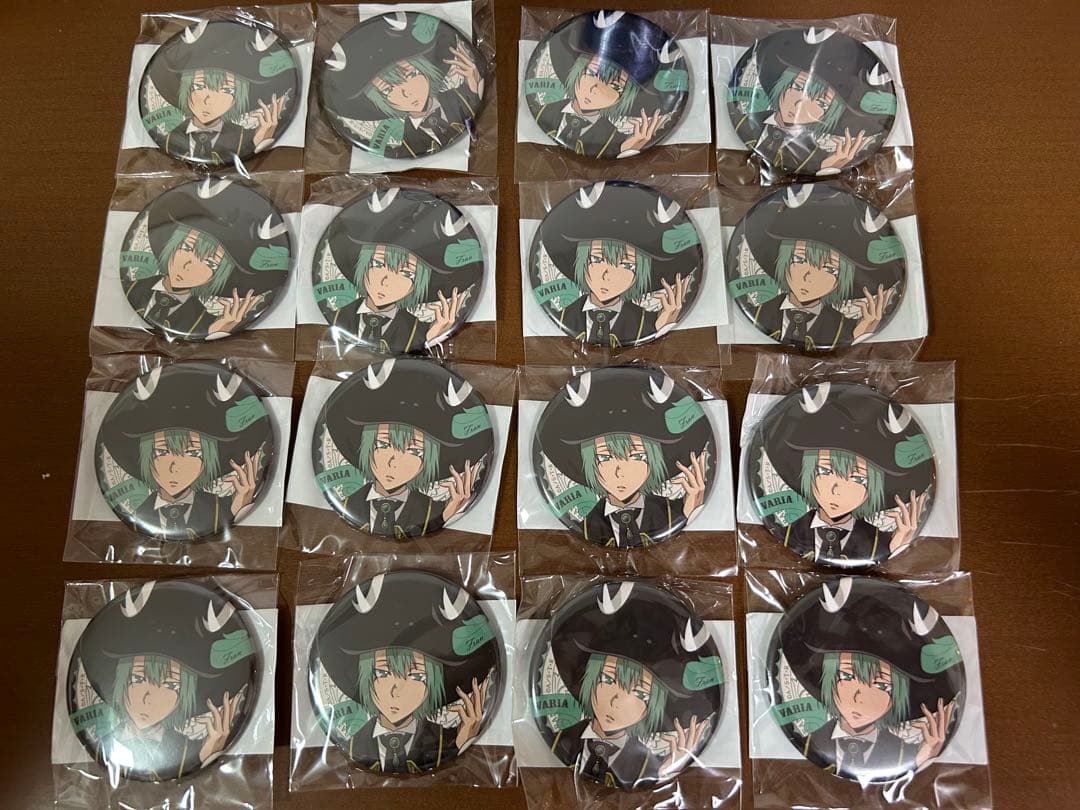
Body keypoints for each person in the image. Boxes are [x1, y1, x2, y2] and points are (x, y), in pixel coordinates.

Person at [316, 572, 497, 773]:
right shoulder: (352, 744)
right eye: (383, 674)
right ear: (366, 676)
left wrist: (460, 743)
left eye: (416, 676)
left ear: (433, 683)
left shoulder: (450, 740)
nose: (397, 691)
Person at [537, 367, 712, 547]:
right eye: (605, 458)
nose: (620, 472)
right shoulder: (587, 525)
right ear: (589, 463)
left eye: (636, 456)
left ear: (653, 461)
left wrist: (688, 514)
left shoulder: (676, 512)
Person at [320, 189, 482, 353]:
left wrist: (428, 338)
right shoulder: (338, 316)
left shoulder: (421, 331)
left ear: (416, 285)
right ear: (364, 264)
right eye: (378, 264)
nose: (386, 282)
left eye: (406, 273)